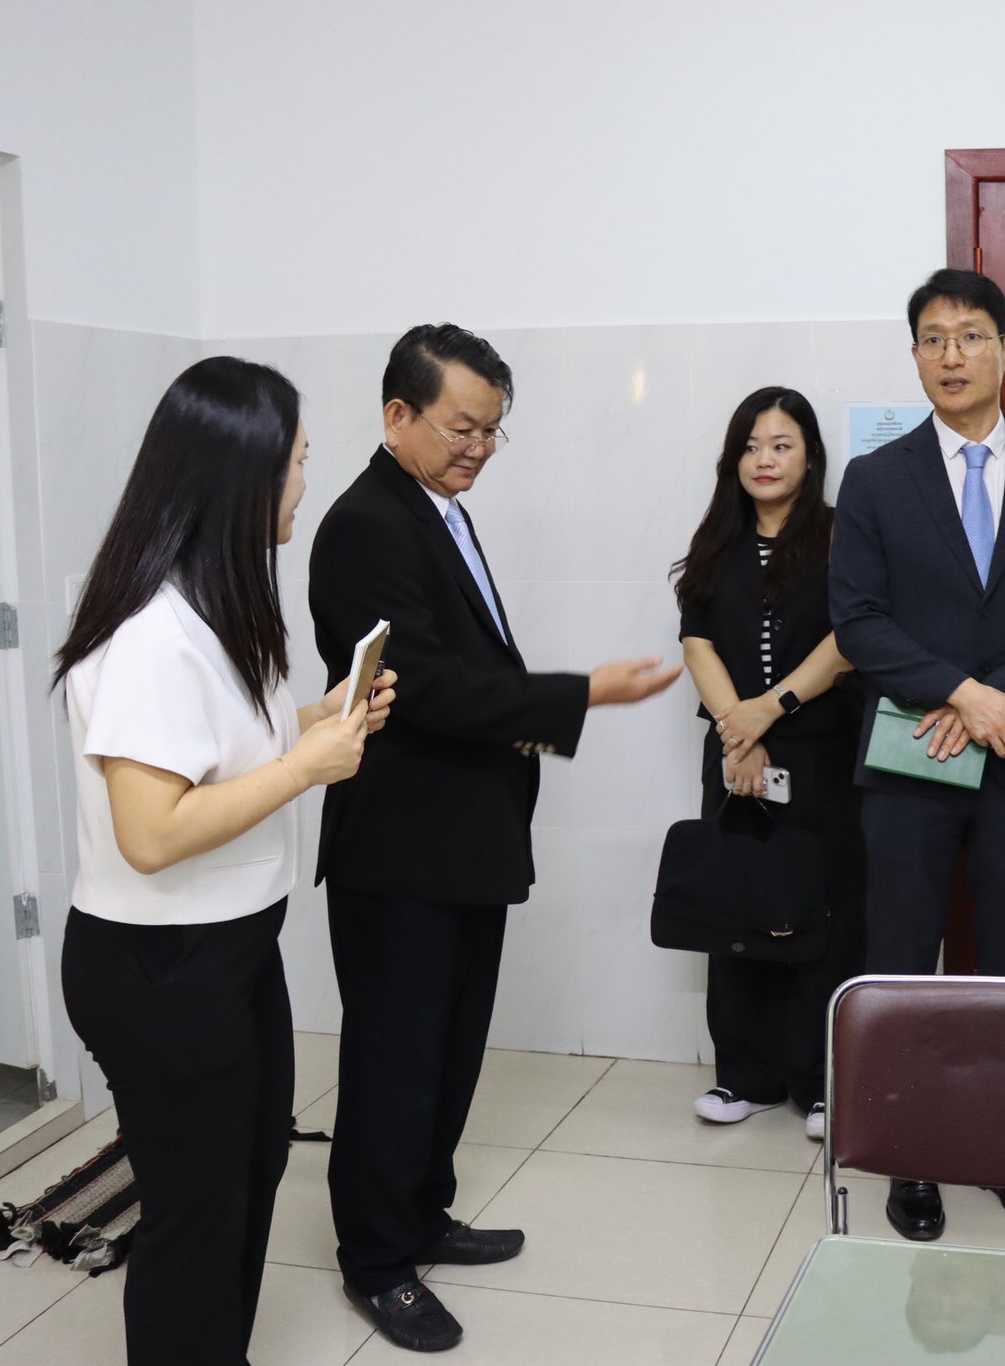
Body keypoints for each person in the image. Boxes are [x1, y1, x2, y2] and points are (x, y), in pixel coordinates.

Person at [306, 324, 682, 1353]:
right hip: (400, 847)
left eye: (492, 431)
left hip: (460, 840)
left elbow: (466, 668)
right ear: (398, 415)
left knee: (448, 1048)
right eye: (461, 428)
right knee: (393, 1058)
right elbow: (424, 687)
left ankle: (420, 1212)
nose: (478, 448)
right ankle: (377, 1261)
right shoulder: (365, 525)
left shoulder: (435, 509)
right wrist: (579, 693)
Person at [53, 357, 396, 1366]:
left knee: (247, 1178)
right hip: (159, 969)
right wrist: (303, 770)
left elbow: (221, 753)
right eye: (297, 463)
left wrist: (320, 719)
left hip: (232, 951)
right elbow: (151, 833)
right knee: (195, 1215)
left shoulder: (217, 609)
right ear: (241, 477)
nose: (304, 485)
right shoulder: (151, 635)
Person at [830, 268, 1005, 1242]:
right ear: (914, 355)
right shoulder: (875, 478)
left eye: (970, 336)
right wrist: (961, 693)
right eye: (933, 339)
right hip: (914, 750)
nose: (951, 355)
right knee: (902, 959)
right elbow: (857, 619)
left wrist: (1001, 698)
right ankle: (908, 1157)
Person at [672, 386, 864, 1141]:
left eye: (781, 445)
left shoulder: (841, 535)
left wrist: (769, 711)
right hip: (733, 754)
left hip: (820, 752)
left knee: (825, 909)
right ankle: (745, 1075)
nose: (764, 459)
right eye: (751, 446)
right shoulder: (717, 539)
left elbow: (849, 640)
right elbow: (697, 642)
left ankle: (823, 1083)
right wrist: (738, 731)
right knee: (738, 903)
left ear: (810, 456)